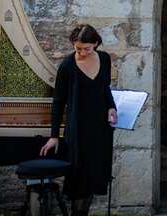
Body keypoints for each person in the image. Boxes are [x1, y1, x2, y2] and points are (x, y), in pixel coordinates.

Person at [40, 24, 118, 216]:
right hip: (77, 130)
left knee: (93, 177)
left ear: (96, 44)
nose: (82, 52)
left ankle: (84, 212)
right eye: (78, 48)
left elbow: (105, 88)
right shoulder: (67, 65)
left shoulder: (104, 59)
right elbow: (58, 102)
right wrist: (54, 136)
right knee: (78, 179)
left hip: (100, 129)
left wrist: (111, 107)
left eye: (87, 48)